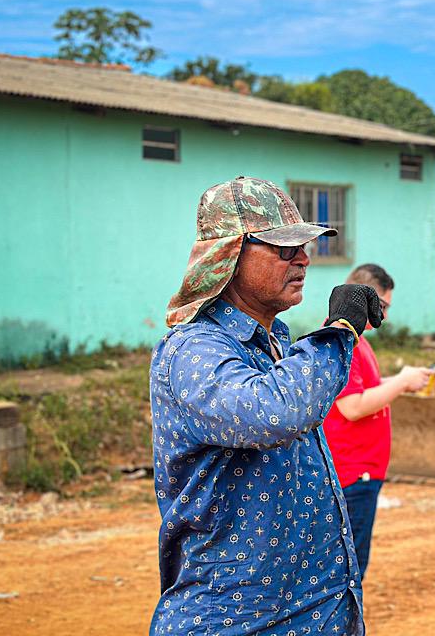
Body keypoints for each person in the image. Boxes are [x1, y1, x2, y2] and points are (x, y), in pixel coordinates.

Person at [149, 176, 384, 636]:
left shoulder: (274, 341)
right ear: (228, 257)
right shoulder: (194, 349)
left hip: (313, 611)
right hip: (237, 619)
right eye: (283, 248)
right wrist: (341, 329)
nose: (302, 258)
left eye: (303, 246)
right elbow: (272, 413)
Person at [323, 264, 433, 578]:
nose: (382, 315)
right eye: (380, 306)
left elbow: (363, 389)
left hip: (362, 473)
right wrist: (400, 383)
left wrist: (401, 379)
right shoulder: (343, 340)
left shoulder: (359, 340)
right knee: (348, 572)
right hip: (352, 475)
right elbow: (352, 406)